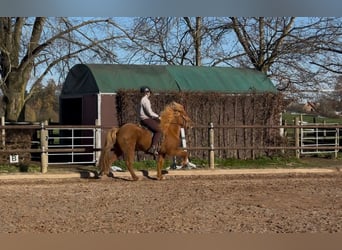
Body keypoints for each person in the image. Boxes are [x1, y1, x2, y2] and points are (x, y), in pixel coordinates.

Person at [139, 86, 161, 156]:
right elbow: (150, 113)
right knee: (159, 130)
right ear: (143, 93)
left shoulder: (143, 99)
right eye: (146, 92)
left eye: (148, 91)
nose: (147, 93)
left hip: (145, 118)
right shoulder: (145, 100)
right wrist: (158, 117)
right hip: (146, 118)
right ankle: (152, 147)